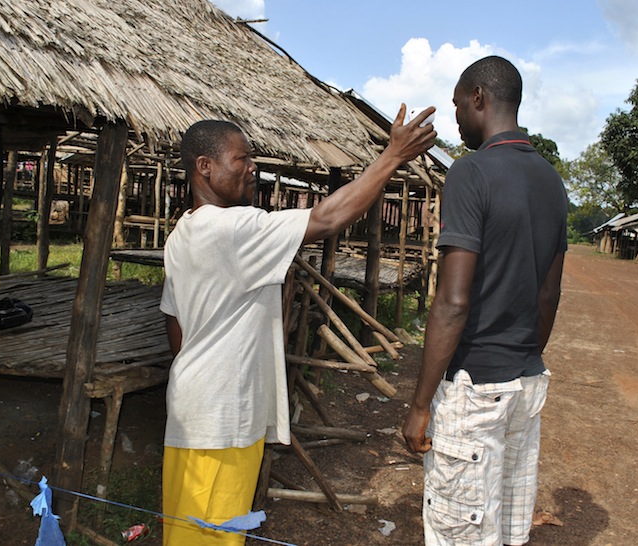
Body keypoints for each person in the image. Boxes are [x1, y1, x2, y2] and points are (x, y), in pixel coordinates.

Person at [160, 108, 436, 545]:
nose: (253, 168)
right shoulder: (234, 228)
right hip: (224, 419)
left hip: (190, 408)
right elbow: (327, 218)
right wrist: (392, 157)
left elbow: (175, 327)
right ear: (205, 168)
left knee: (186, 530)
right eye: (242, 159)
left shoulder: (182, 233)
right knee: (214, 533)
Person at [401, 56, 568, 546]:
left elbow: (452, 302)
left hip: (475, 388)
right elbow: (549, 294)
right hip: (526, 381)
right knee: (506, 525)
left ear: (478, 97)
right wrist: (522, 357)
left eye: (456, 105)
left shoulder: (470, 174)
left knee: (461, 530)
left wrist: (419, 403)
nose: (455, 117)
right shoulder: (551, 182)